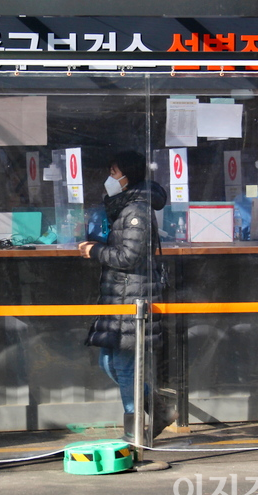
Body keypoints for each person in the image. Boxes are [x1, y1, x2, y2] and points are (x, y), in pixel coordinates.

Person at [77, 150, 176, 441]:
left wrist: (93, 250)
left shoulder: (137, 210)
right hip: (119, 295)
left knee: (121, 363)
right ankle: (157, 406)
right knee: (108, 361)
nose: (111, 178)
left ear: (128, 175)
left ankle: (136, 432)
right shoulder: (126, 205)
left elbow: (129, 257)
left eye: (115, 172)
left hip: (132, 296)